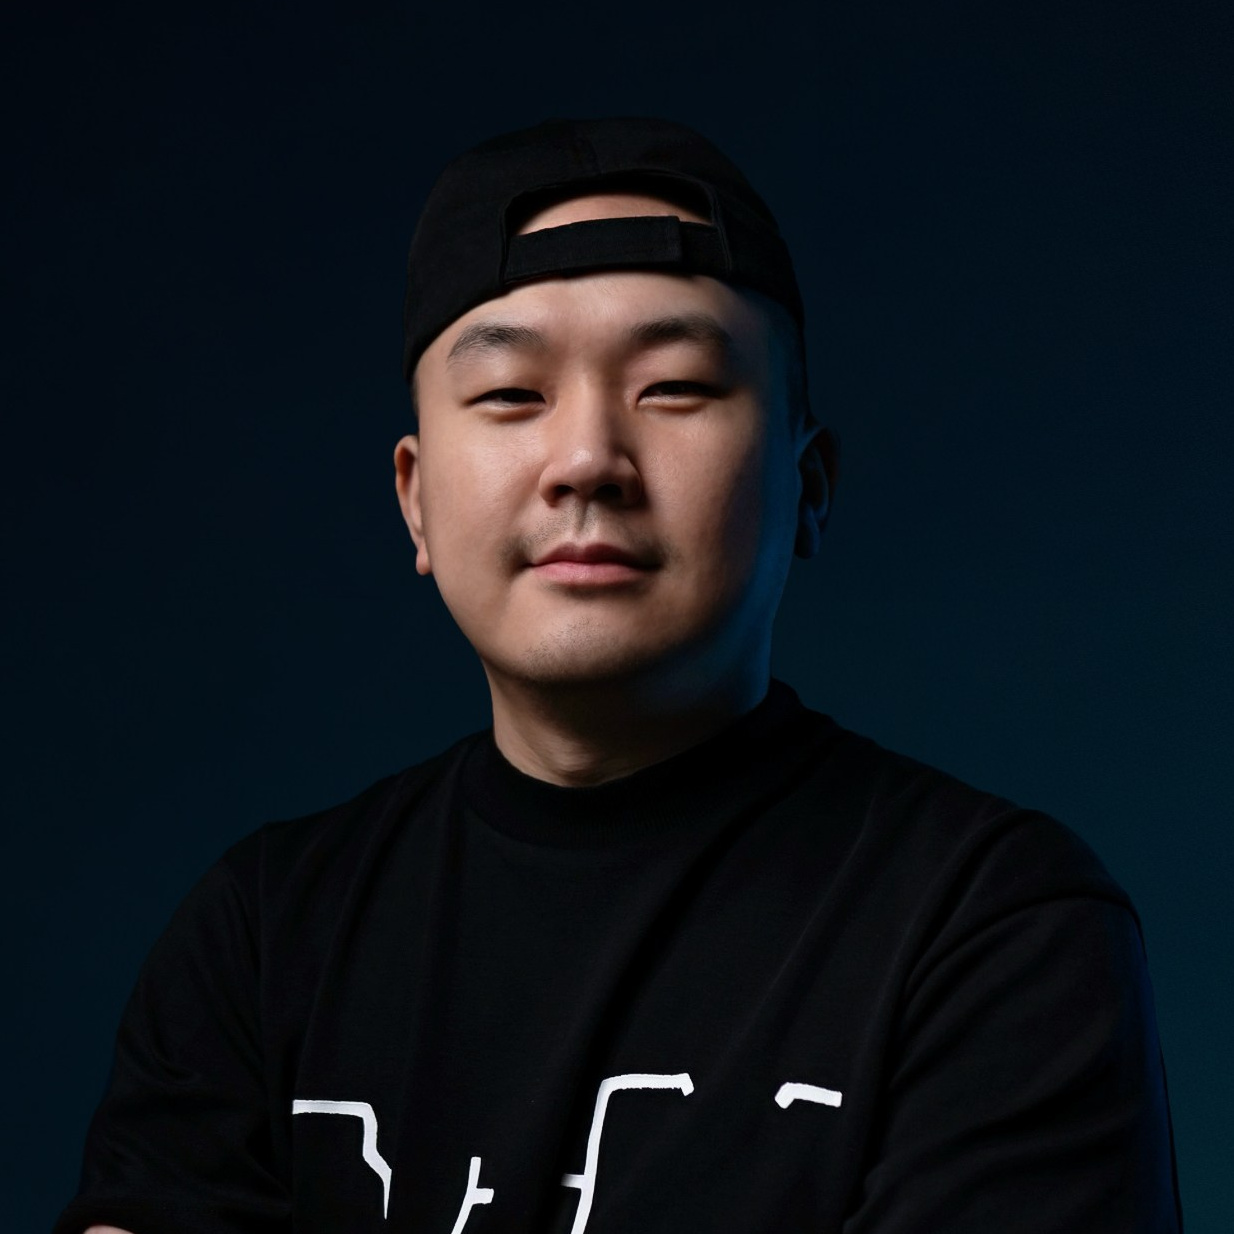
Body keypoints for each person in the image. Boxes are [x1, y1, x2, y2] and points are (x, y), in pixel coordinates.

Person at [57, 116, 1182, 1233]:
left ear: (808, 486)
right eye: (512, 394)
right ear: (415, 500)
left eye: (675, 385)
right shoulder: (261, 937)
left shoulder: (991, 926)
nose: (588, 458)